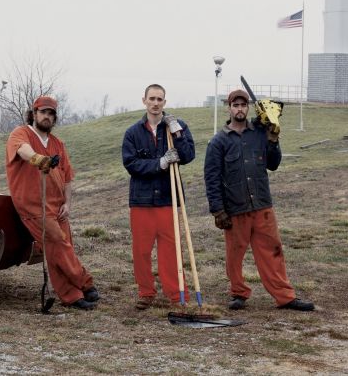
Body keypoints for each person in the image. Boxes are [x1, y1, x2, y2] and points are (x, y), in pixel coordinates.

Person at [203, 88, 314, 312]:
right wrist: (218, 210)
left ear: (248, 108)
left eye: (243, 105)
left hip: (262, 206)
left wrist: (273, 140)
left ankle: (285, 297)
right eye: (236, 105)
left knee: (273, 252)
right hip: (235, 209)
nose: (240, 109)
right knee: (234, 255)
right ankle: (238, 294)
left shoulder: (260, 133)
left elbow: (273, 164)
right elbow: (212, 179)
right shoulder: (219, 142)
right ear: (229, 108)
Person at [5, 95, 99, 310]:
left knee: (60, 248)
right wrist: (39, 159)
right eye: (43, 112)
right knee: (57, 242)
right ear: (34, 113)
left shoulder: (58, 144)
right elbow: (23, 150)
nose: (47, 117)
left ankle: (71, 296)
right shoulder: (21, 133)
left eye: (51, 114)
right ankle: (84, 283)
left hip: (58, 206)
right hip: (33, 205)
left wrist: (67, 203)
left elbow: (67, 177)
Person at [121, 83, 195, 310]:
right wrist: (160, 163)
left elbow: (188, 155)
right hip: (142, 201)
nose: (155, 103)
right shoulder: (133, 133)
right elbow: (131, 164)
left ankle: (175, 294)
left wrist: (177, 133)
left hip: (168, 199)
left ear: (165, 102)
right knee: (141, 251)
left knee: (170, 250)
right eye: (151, 98)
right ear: (144, 100)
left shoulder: (176, 127)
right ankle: (146, 292)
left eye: (159, 99)